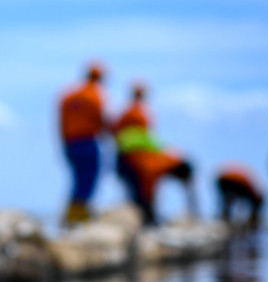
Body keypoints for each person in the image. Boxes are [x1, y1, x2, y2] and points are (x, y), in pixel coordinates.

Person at [112, 82, 196, 226]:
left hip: (125, 158)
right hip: (131, 160)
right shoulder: (138, 113)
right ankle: (145, 222)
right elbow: (148, 181)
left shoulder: (129, 112)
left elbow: (118, 132)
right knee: (140, 199)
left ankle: (144, 221)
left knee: (137, 198)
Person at [58, 62, 109, 225]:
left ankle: (73, 214)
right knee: (88, 178)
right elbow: (101, 119)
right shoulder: (94, 95)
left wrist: (65, 143)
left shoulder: (69, 95)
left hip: (70, 143)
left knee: (78, 179)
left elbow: (61, 122)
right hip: (87, 141)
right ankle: (77, 214)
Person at [215, 163, 265, 235]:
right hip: (231, 179)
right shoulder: (252, 192)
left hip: (223, 178)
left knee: (226, 202)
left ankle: (223, 221)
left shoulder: (251, 190)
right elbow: (243, 206)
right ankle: (224, 222)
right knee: (227, 202)